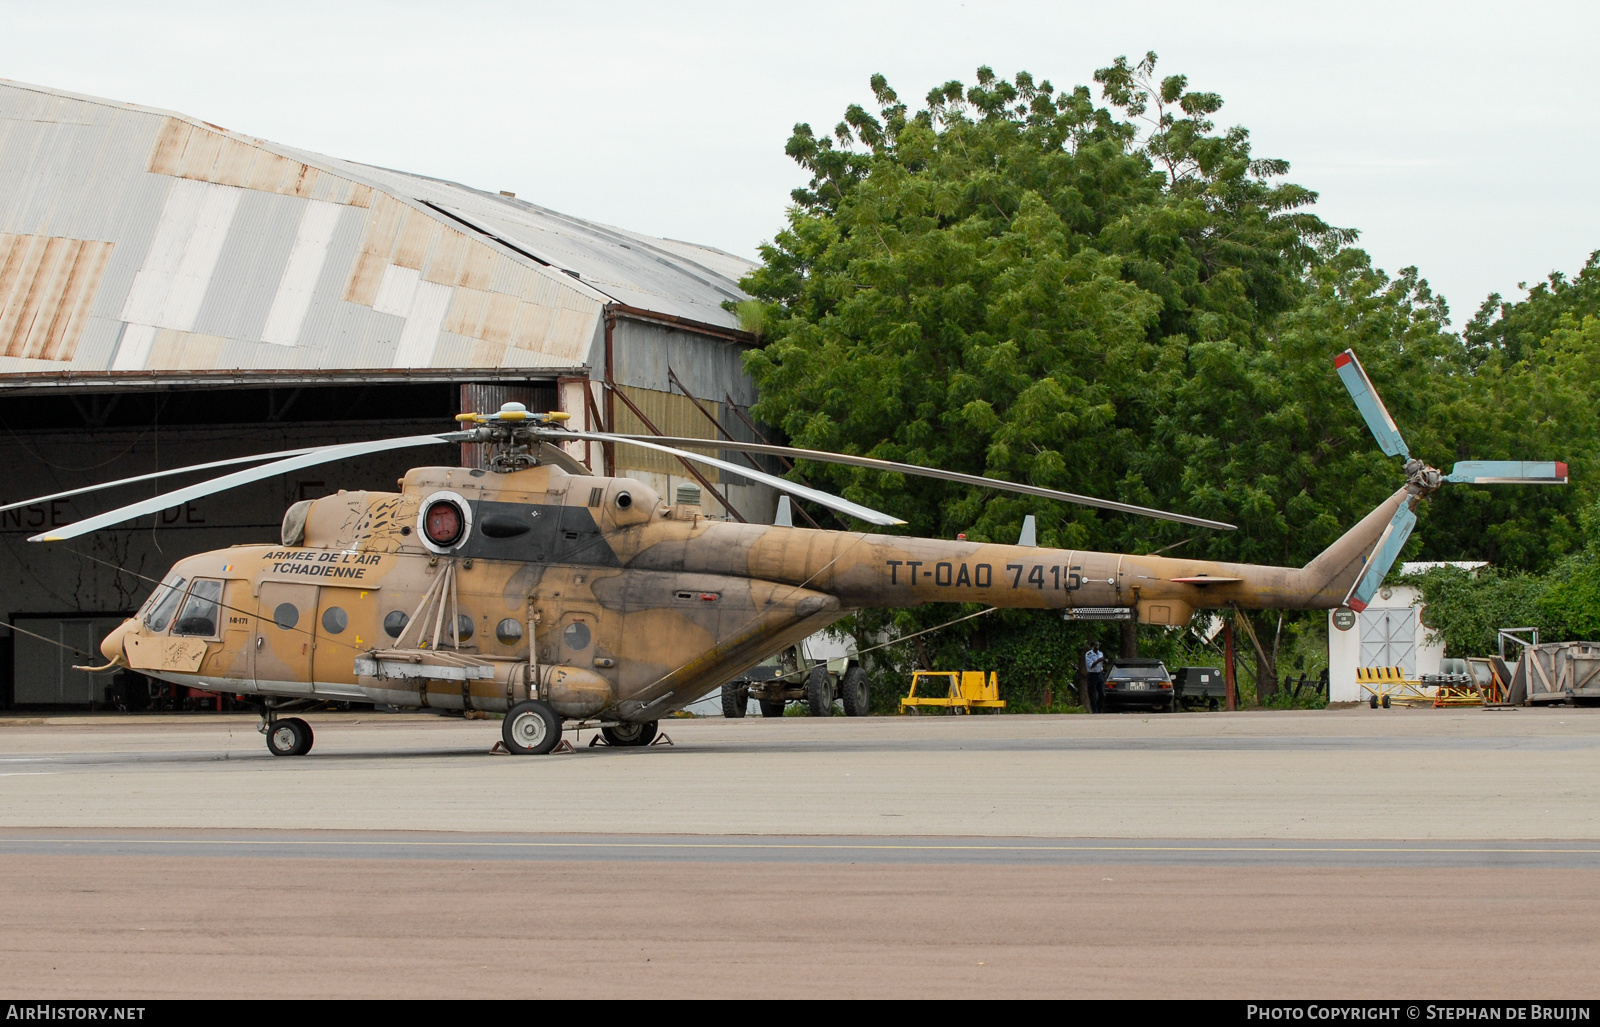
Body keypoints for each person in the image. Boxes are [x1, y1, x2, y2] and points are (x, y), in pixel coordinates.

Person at [1084, 642, 1106, 713]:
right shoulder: (1089, 654)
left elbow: (1101, 664)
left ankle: (1100, 710)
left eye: (1098, 645)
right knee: (1093, 694)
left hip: (1099, 674)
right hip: (1092, 675)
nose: (1097, 647)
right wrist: (1098, 660)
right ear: (1092, 646)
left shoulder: (1100, 653)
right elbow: (1090, 665)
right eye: (1095, 646)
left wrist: (1104, 661)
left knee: (1102, 693)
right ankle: (1095, 711)